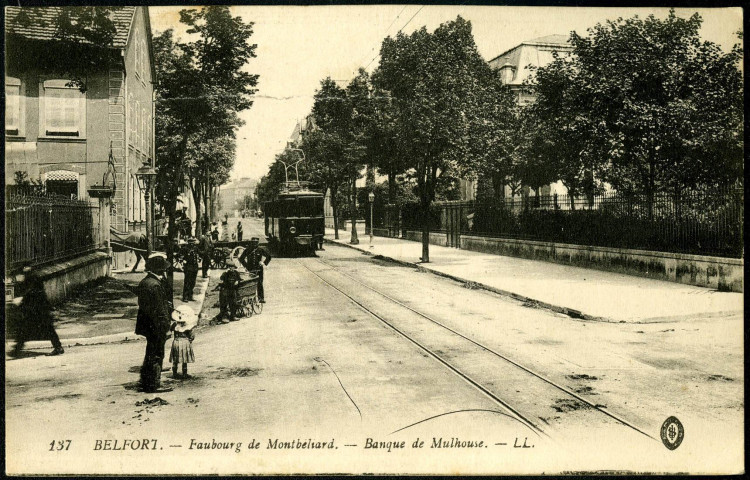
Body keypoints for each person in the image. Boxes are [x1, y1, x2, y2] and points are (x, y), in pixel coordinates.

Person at [135, 253, 172, 393]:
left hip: (147, 324)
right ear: (159, 270)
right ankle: (154, 384)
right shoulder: (155, 285)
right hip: (156, 325)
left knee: (150, 352)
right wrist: (166, 327)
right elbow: (160, 310)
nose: (164, 271)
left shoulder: (145, 282)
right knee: (157, 354)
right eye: (163, 269)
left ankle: (145, 381)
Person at [9, 264, 64, 358]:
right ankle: (16, 350)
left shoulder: (33, 278)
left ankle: (16, 350)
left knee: (28, 328)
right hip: (37, 308)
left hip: (38, 308)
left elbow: (32, 292)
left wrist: (21, 299)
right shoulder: (30, 277)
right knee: (28, 328)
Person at [239, 237, 272, 303]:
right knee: (250, 284)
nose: (254, 244)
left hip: (259, 270)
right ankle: (250, 298)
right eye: (253, 242)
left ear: (258, 243)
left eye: (256, 242)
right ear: (251, 243)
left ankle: (261, 298)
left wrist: (263, 263)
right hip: (250, 270)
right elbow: (241, 258)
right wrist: (246, 266)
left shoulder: (260, 250)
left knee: (259, 283)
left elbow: (269, 257)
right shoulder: (248, 250)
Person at [169, 305, 196, 378]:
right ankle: (184, 373)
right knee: (184, 359)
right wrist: (190, 340)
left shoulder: (174, 324)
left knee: (175, 358)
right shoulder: (188, 325)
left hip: (176, 341)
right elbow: (191, 335)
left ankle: (174, 373)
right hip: (184, 342)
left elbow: (170, 331)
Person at [182, 237, 200, 302]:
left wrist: (199, 258)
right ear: (188, 242)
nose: (192, 243)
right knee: (187, 282)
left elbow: (199, 254)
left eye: (193, 242)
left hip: (195, 267)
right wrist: (183, 261)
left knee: (193, 282)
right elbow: (180, 256)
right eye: (190, 242)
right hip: (188, 267)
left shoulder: (196, 248)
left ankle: (190, 295)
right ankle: (185, 297)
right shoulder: (185, 248)